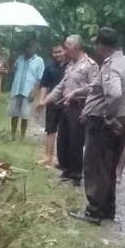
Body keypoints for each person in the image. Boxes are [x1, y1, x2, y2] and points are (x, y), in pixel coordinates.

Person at [70, 27, 125, 225]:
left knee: (95, 165)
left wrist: (108, 115)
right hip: (121, 122)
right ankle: (107, 209)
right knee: (108, 166)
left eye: (96, 44)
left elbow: (115, 93)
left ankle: (94, 210)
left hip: (103, 124)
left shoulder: (111, 66)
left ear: (101, 46)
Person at [45, 35, 98, 186]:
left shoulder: (90, 65)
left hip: (80, 106)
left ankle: (76, 175)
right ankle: (66, 169)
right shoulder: (71, 65)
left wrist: (77, 93)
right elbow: (62, 85)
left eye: (67, 46)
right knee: (63, 139)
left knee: (76, 141)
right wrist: (46, 100)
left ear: (76, 47)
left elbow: (94, 88)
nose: (65, 49)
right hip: (66, 107)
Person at [36, 43, 67, 167]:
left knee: (64, 132)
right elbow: (45, 85)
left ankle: (60, 159)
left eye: (59, 51)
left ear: (64, 50)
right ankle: (47, 156)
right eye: (55, 52)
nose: (57, 54)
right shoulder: (49, 67)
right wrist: (41, 101)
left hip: (66, 103)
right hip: (52, 102)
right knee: (50, 130)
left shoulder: (71, 66)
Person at [8, 40, 45, 141]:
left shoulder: (39, 61)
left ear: (35, 48)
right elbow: (13, 71)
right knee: (14, 114)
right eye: (27, 47)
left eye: (31, 47)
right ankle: (13, 135)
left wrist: (34, 91)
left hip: (28, 91)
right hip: (16, 89)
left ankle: (22, 137)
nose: (28, 49)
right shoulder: (20, 59)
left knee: (25, 115)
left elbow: (40, 78)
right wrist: (10, 61)